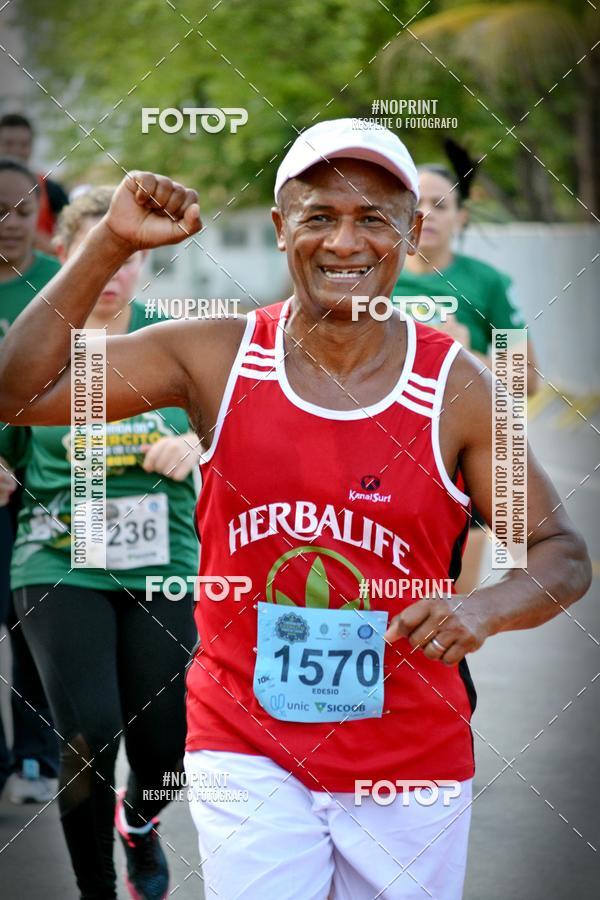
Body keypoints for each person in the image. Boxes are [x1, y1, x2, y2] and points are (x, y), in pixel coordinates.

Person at [0, 119, 591, 900]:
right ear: (283, 231)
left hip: (409, 756)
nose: (344, 242)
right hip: (247, 745)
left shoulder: (459, 391)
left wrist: (486, 608)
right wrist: (108, 244)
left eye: (373, 218)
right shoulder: (217, 356)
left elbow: (559, 551)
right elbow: (21, 390)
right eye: (319, 217)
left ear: (411, 232)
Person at [0, 185, 199, 899]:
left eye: (129, 255)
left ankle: (141, 824)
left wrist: (197, 442)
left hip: (164, 565)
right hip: (59, 562)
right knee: (87, 740)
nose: (114, 270)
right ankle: (96, 892)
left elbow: (245, 424)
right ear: (67, 257)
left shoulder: (178, 338)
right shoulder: (37, 342)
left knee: (166, 750)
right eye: (95, 253)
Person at [393, 159, 540, 594]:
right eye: (416, 203)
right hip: (385, 451)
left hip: (458, 455)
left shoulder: (487, 282)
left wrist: (465, 353)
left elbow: (526, 378)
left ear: (462, 217)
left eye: (440, 205)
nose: (427, 214)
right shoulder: (371, 276)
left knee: (454, 613)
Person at [0, 156, 60, 803]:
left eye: (21, 211)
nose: (10, 225)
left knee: (39, 621)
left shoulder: (61, 288)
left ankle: (38, 756)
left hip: (48, 486)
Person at [0, 112, 69, 254]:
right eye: (9, 144)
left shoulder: (51, 190)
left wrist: (42, 243)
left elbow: (73, 239)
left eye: (23, 144)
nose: (16, 151)